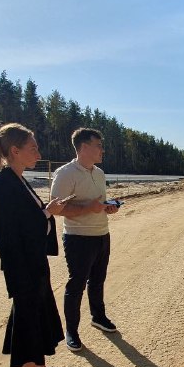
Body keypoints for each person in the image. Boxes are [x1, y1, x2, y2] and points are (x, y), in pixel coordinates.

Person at [0, 123, 71, 367]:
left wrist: (46, 213)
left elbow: (28, 219)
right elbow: (8, 232)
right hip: (22, 267)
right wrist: (46, 215)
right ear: (15, 151)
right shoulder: (3, 184)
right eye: (33, 148)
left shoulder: (18, 179)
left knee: (39, 316)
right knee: (25, 323)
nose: (38, 154)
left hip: (33, 264)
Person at [50, 128, 120, 352]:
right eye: (98, 145)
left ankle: (98, 317)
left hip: (102, 234)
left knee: (98, 280)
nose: (102, 149)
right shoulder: (65, 173)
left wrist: (108, 208)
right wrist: (88, 208)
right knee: (76, 285)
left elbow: (99, 202)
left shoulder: (99, 173)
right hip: (78, 238)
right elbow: (57, 209)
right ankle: (71, 331)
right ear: (83, 147)